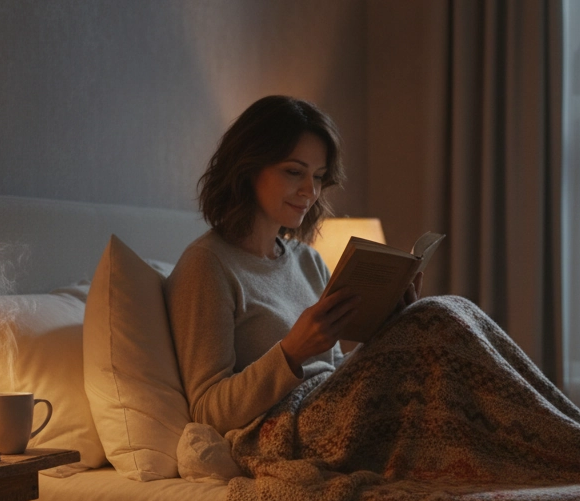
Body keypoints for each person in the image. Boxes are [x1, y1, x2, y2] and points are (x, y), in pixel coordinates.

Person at [165, 95, 420, 435]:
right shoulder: (208, 265)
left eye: (318, 177)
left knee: (435, 320)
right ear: (247, 167)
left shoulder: (308, 261)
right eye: (293, 172)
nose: (309, 191)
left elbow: (334, 370)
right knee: (445, 321)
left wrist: (389, 333)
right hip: (285, 431)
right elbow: (208, 410)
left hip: (336, 413)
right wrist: (290, 353)